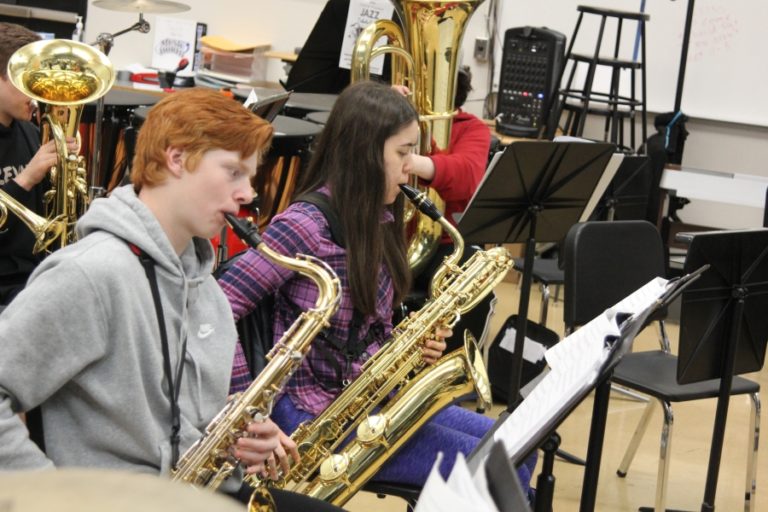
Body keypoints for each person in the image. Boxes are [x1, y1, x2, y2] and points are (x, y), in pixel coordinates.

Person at [0, 87, 343, 512]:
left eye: (250, 177)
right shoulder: (92, 273)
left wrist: (239, 442)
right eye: (234, 172)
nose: (248, 194)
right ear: (176, 158)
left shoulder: (207, 288)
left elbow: (185, 425)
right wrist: (51, 498)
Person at [219, 81, 534, 492]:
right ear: (364, 153)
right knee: (503, 478)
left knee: (516, 452)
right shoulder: (305, 225)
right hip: (311, 417)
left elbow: (360, 330)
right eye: (403, 153)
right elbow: (218, 305)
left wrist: (406, 349)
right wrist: (248, 410)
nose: (413, 166)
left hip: (364, 400)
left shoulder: (379, 219)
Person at [398, 66, 497, 353]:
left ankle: (452, 366)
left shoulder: (471, 127)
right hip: (389, 233)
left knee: (472, 273)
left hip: (439, 241)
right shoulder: (391, 120)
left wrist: (414, 163)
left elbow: (466, 178)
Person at [0, 22, 77, 307]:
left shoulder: (32, 132)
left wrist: (65, 176)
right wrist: (26, 178)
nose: (38, 92)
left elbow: (54, 214)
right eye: (28, 80)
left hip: (35, 275)